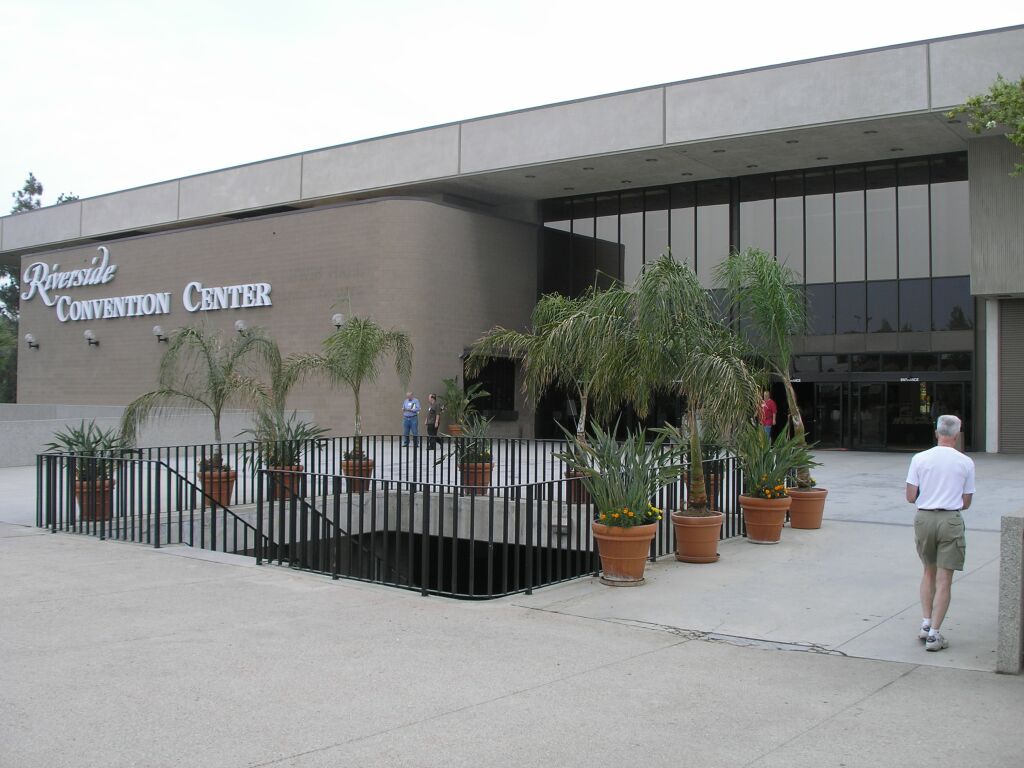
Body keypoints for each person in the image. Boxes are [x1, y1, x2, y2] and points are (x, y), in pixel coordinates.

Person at [905, 414, 975, 652]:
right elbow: (966, 501)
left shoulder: (920, 458)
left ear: (936, 433)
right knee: (945, 579)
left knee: (928, 571)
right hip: (950, 519)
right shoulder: (965, 462)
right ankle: (935, 634)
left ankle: (925, 623)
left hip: (924, 517)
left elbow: (910, 495)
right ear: (957, 435)